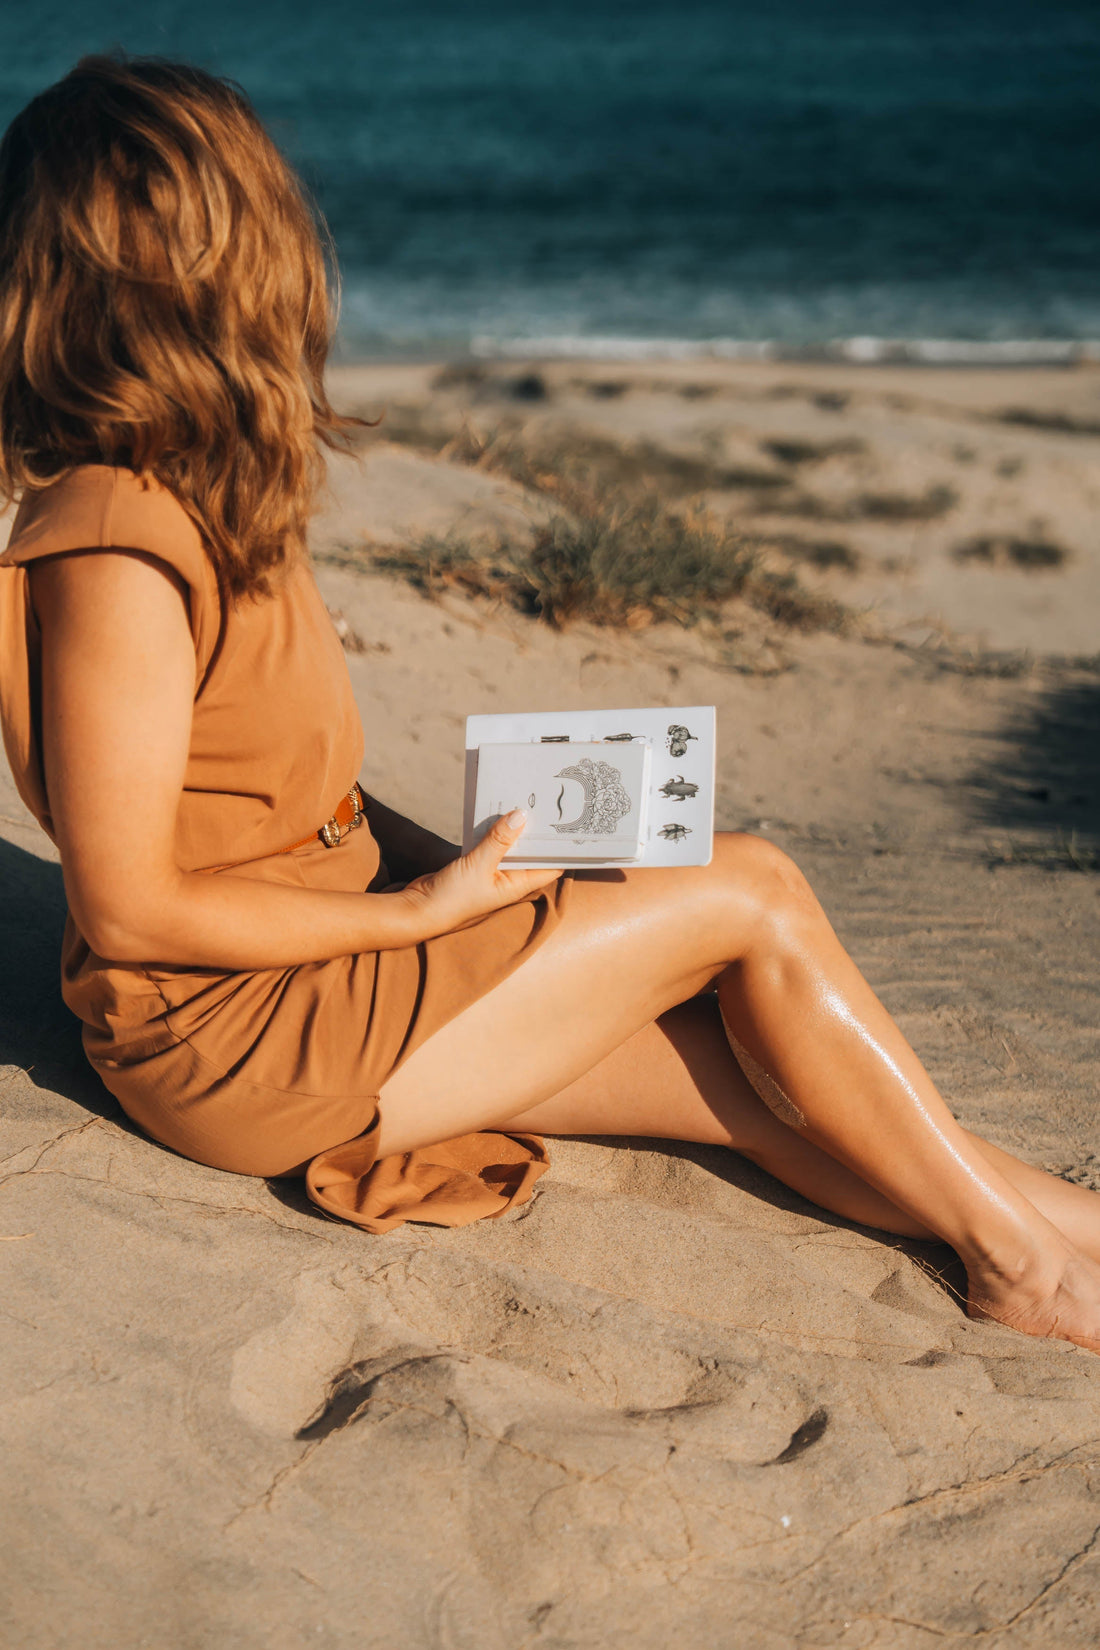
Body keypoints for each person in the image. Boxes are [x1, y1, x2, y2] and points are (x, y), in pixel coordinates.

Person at [0, 55, 1097, 1354]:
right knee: (752, 891)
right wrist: (424, 912)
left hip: (327, 955)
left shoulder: (193, 493)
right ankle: (1025, 1269)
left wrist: (459, 867)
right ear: (211, 270)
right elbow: (126, 902)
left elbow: (284, 810)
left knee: (739, 1066)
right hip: (240, 1037)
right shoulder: (116, 546)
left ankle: (1066, 1225)